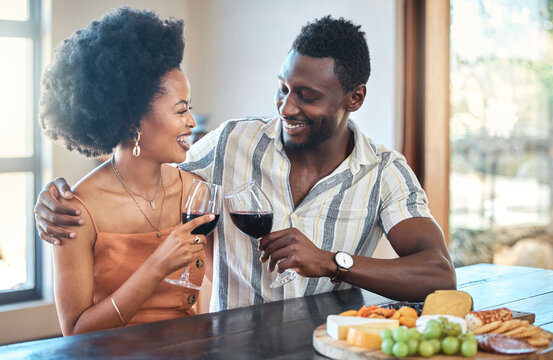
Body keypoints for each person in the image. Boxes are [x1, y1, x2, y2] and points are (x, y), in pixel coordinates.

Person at [35, 16, 456, 313]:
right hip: (230, 348)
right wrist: (58, 194)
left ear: (354, 99)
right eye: (282, 88)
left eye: (307, 96)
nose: (286, 107)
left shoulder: (385, 172)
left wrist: (332, 262)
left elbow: (438, 273)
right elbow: (139, 164)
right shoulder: (233, 143)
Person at [36, 7, 215, 335]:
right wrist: (158, 265)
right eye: (181, 110)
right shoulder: (76, 210)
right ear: (134, 120)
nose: (192, 121)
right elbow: (76, 332)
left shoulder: (196, 191)